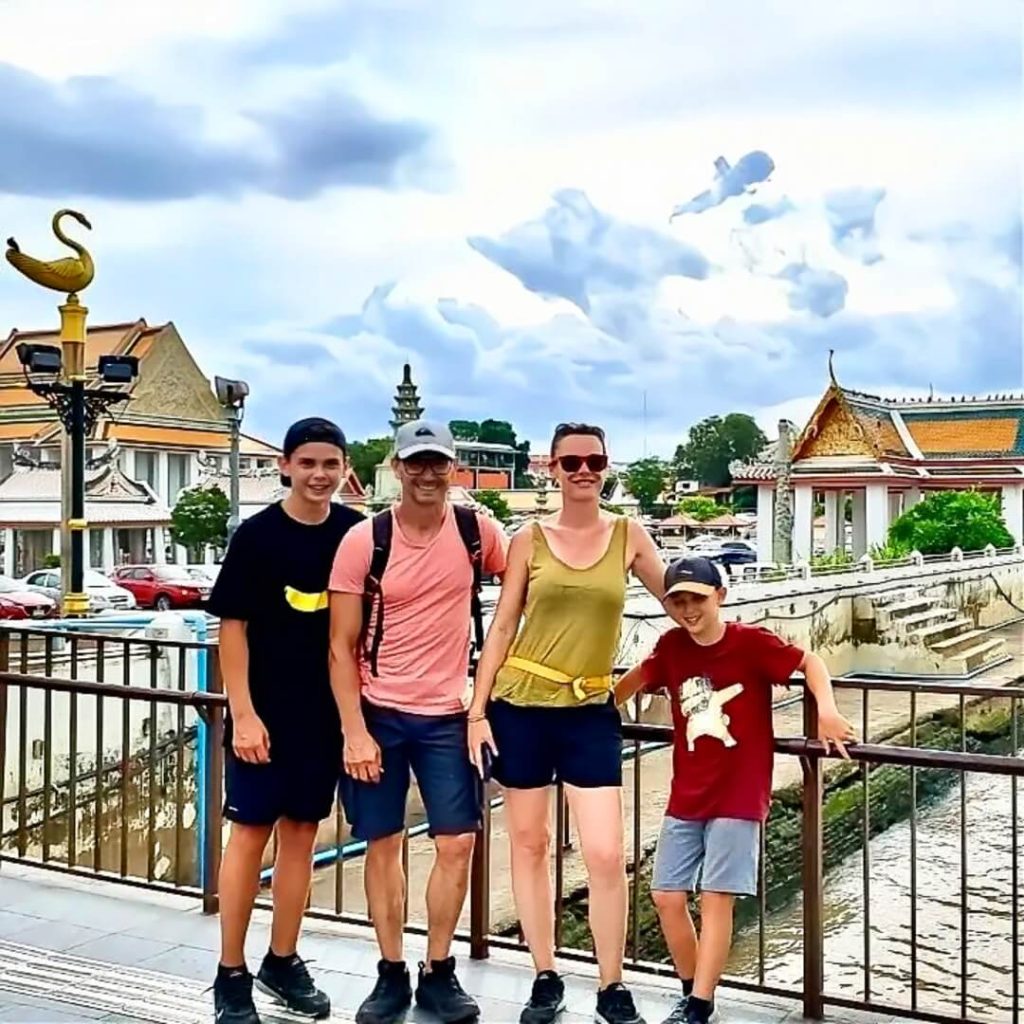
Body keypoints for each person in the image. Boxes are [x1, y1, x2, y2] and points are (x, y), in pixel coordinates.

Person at [468, 422, 666, 1024]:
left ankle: (612, 984)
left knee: (606, 854)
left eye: (594, 461)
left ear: (607, 466)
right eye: (571, 461)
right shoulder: (528, 538)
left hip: (589, 712)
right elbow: (502, 625)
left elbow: (680, 604)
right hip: (519, 706)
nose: (583, 471)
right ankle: (545, 974)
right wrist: (477, 710)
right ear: (550, 468)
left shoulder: (630, 536)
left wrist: (731, 632)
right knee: (529, 846)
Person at [614, 556, 856, 1024]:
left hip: (738, 792)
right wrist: (594, 708)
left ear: (719, 596)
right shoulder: (670, 646)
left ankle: (700, 1006)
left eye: (697, 599)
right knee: (666, 895)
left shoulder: (750, 643)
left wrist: (825, 709)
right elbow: (639, 677)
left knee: (716, 897)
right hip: (689, 790)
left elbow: (810, 662)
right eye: (678, 601)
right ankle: (693, 990)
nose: (688, 610)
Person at [328, 419, 508, 1024]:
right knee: (384, 843)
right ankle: (389, 971)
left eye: (438, 464)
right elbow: (340, 644)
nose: (427, 475)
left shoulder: (476, 531)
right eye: (415, 464)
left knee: (457, 841)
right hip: (380, 711)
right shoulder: (366, 540)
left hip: (448, 715)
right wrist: (353, 730)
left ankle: (439, 969)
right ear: (397, 468)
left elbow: (530, 583)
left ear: (453, 468)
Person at [208, 417, 365, 1024]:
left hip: (322, 715)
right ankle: (230, 971)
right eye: (308, 464)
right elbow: (232, 629)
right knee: (249, 835)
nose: (320, 475)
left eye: (331, 464)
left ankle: (282, 957)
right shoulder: (257, 536)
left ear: (345, 468)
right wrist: (243, 713)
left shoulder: (355, 534)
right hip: (264, 714)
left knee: (302, 833)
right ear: (286, 467)